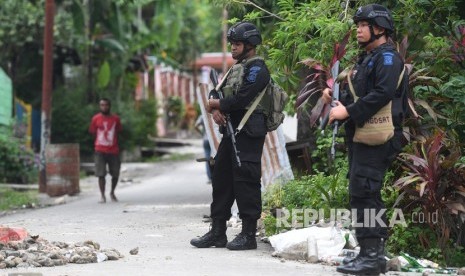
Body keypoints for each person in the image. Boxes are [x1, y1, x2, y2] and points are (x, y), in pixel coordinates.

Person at [322, 4, 407, 275]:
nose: (357, 30)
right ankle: (370, 254)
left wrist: (347, 110)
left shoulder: (388, 59)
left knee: (366, 192)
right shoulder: (369, 57)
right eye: (357, 25)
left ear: (379, 29)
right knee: (361, 192)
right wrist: (337, 101)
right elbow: (361, 96)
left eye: (363, 25)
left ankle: (372, 258)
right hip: (363, 135)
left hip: (379, 137)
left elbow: (382, 94)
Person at [190, 21, 270, 250]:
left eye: (237, 44)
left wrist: (216, 104)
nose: (233, 48)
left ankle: (248, 235)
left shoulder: (257, 69)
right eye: (232, 44)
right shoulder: (235, 68)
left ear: (250, 44)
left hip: (249, 132)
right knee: (221, 178)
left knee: (246, 180)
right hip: (231, 132)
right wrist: (215, 108)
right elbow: (216, 91)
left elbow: (242, 98)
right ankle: (217, 232)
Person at [89, 98, 122, 203]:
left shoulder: (115, 119)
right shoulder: (96, 119)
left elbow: (119, 132)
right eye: (102, 105)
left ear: (109, 106)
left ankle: (112, 192)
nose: (104, 107)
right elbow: (93, 132)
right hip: (100, 150)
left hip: (113, 150)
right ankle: (102, 195)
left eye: (106, 105)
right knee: (100, 173)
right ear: (99, 106)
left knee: (115, 173)